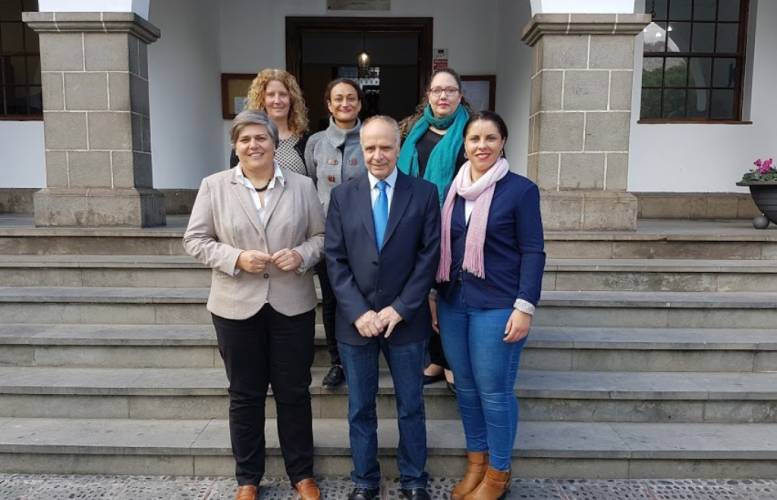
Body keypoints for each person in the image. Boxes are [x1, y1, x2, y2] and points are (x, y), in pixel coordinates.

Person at [184, 110, 325, 500]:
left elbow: (321, 236)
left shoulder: (302, 186)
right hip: (235, 306)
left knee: (294, 392)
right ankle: (247, 478)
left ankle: (302, 474)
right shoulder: (214, 186)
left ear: (274, 144)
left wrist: (301, 255)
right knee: (244, 395)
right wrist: (235, 258)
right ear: (235, 146)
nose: (253, 145)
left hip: (291, 304)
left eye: (261, 138)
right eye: (244, 139)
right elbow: (194, 240)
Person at [325, 116, 441, 500]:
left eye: (385, 147)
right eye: (370, 147)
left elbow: (429, 256)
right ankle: (364, 481)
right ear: (361, 149)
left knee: (411, 405)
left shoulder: (424, 194)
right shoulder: (343, 196)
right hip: (355, 322)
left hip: (405, 321)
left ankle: (414, 479)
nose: (377, 155)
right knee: (360, 408)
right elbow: (335, 259)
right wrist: (359, 312)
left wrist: (401, 308)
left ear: (398, 148)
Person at [433, 111, 545, 500]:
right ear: (464, 145)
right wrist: (433, 295)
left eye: (490, 138)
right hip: (453, 302)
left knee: (494, 392)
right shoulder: (453, 189)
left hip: (498, 304)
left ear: (503, 143)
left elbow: (533, 251)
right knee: (465, 389)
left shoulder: (520, 190)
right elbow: (444, 247)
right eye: (475, 139)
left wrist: (525, 306)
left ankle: (498, 473)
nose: (482, 146)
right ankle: (476, 464)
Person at [398, 68, 470, 391]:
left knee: (449, 295)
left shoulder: (471, 130)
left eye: (450, 90)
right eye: (437, 90)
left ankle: (452, 361)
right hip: (417, 223)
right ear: (428, 95)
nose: (443, 96)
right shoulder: (411, 131)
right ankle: (436, 358)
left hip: (458, 226)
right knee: (423, 291)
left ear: (459, 95)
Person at [305, 78, 366, 389]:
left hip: (365, 236)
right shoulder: (315, 143)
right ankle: (337, 361)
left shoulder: (370, 137)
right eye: (338, 98)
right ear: (328, 104)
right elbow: (310, 183)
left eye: (351, 98)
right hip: (327, 236)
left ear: (360, 103)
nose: (345, 104)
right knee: (331, 300)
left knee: (363, 295)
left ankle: (363, 356)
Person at [230, 68, 310, 177]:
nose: (277, 101)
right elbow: (235, 179)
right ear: (262, 99)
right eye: (271, 95)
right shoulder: (246, 140)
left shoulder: (306, 140)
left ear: (291, 99)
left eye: (283, 94)